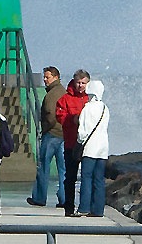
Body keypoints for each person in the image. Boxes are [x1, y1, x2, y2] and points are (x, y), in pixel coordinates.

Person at [28, 66, 64, 206]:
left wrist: (45, 129)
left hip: (51, 134)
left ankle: (39, 197)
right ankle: (64, 198)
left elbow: (50, 113)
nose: (44, 80)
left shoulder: (51, 95)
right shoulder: (63, 91)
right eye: (44, 77)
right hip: (63, 135)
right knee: (63, 169)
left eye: (47, 77)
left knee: (43, 166)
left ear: (55, 77)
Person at [56, 69, 90, 215]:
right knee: (70, 177)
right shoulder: (65, 99)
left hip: (88, 145)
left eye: (83, 83)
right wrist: (73, 119)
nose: (80, 86)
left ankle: (85, 207)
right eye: (78, 83)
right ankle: (69, 208)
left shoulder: (91, 98)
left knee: (87, 176)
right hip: (71, 143)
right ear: (73, 82)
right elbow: (60, 117)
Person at [74, 79, 109, 217]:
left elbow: (82, 131)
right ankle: (98, 210)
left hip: (90, 148)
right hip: (103, 148)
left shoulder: (88, 108)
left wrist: (79, 143)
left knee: (86, 178)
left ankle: (84, 208)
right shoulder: (105, 108)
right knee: (99, 179)